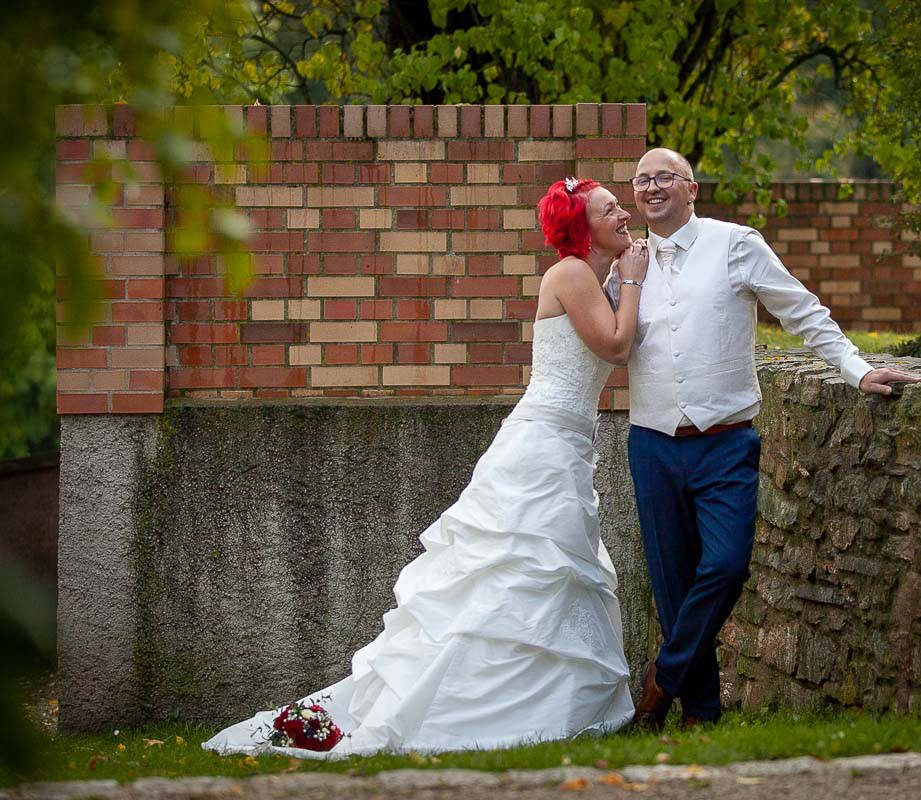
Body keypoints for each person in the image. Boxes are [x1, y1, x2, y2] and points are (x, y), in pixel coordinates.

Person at [203, 178, 649, 758]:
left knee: (548, 572)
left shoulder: (595, 277)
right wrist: (633, 280)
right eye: (609, 209)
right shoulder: (570, 274)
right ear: (582, 228)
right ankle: (461, 708)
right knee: (518, 569)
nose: (622, 214)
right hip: (542, 445)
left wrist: (626, 280)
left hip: (567, 445)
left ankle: (535, 703)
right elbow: (616, 346)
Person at [621, 148, 920, 730]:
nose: (652, 187)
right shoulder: (627, 264)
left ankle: (662, 679)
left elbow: (801, 311)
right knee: (673, 585)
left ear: (691, 189)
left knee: (727, 566)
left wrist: (856, 369)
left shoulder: (736, 244)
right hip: (652, 444)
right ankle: (700, 716)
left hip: (725, 443)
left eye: (664, 177)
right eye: (642, 180)